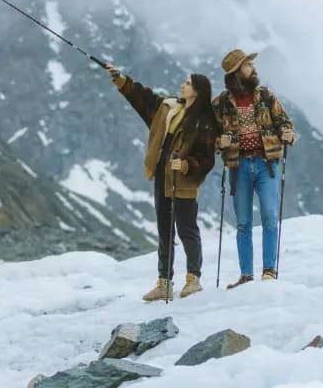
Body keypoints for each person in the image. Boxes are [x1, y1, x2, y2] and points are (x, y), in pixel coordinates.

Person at [104, 64, 220, 301]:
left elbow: (207, 159)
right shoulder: (168, 107)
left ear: (197, 91)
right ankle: (164, 282)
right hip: (161, 175)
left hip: (183, 182)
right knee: (164, 230)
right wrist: (121, 79)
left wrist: (187, 165)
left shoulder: (205, 121)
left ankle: (193, 279)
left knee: (187, 229)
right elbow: (143, 98)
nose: (182, 85)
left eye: (187, 83)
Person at [213, 49, 296, 288]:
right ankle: (246, 275)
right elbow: (210, 138)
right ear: (237, 72)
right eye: (248, 64)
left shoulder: (266, 96)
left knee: (270, 216)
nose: (253, 68)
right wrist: (220, 142)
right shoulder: (220, 104)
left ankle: (269, 270)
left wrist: (289, 134)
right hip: (238, 168)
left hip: (265, 165)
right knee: (243, 223)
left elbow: (285, 123)